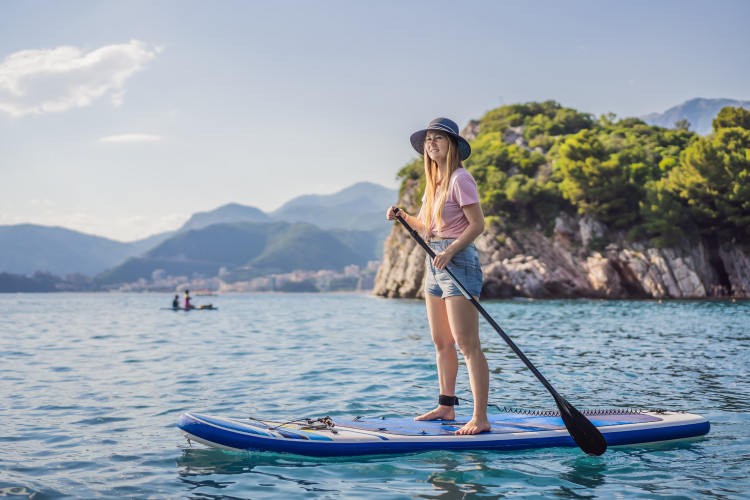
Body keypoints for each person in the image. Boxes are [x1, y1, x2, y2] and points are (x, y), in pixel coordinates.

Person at [386, 117, 490, 435]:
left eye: (438, 139)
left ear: (452, 145)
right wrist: (403, 215)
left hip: (457, 263)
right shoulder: (435, 184)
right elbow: (427, 226)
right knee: (441, 342)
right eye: (428, 139)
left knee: (466, 343)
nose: (431, 144)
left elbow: (477, 225)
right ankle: (446, 406)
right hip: (433, 262)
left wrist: (450, 251)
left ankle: (480, 417)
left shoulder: (460, 179)